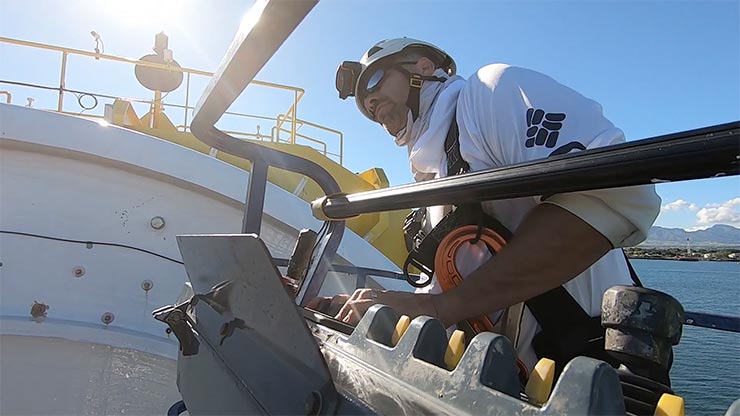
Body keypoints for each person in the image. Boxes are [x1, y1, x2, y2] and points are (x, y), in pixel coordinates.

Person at [312, 38, 661, 376]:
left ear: (423, 67)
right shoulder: (433, 176)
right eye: (365, 106)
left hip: (596, 377)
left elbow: (609, 190)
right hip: (511, 385)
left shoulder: (489, 94)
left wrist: (439, 308)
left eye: (374, 80)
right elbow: (454, 294)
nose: (371, 102)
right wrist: (366, 309)